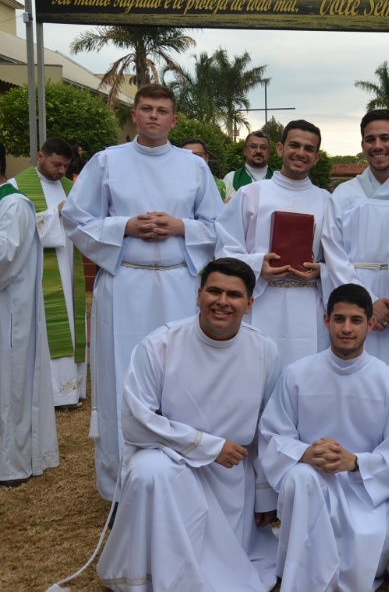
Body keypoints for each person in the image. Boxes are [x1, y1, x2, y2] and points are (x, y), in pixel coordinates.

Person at [62, 83, 223, 500]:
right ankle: (122, 488)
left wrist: (180, 226)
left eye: (162, 110)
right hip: (126, 283)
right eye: (146, 108)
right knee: (123, 378)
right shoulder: (107, 162)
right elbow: (76, 219)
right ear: (134, 115)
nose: (153, 116)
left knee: (180, 379)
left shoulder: (193, 166)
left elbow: (221, 227)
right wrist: (125, 227)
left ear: (174, 119)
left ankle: (182, 482)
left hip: (178, 284)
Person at [97, 258, 282, 592]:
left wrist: (264, 497)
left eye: (234, 295)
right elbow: (136, 422)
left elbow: (270, 429)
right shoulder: (160, 344)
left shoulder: (265, 351)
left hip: (230, 475)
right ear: (198, 295)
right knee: (148, 472)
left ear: (250, 303)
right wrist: (207, 447)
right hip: (168, 458)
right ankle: (147, 575)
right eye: (213, 291)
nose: (222, 301)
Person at [259, 284, 389, 591]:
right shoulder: (297, 374)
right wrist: (307, 454)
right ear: (326, 321)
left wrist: (355, 462)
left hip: (364, 488)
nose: (346, 328)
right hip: (310, 483)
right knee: (300, 478)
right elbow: (274, 434)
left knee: (368, 538)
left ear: (370, 324)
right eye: (339, 319)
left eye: (356, 320)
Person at [217, 120, 346, 366]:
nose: (300, 153)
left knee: (304, 375)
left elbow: (339, 258)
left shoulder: (326, 201)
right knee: (256, 370)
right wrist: (257, 266)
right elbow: (225, 248)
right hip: (260, 299)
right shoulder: (251, 194)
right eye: (294, 145)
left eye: (309, 149)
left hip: (308, 305)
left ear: (317, 157)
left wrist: (321, 272)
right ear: (279, 148)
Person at [322, 109, 389, 363]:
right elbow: (334, 253)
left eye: (385, 138)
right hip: (355, 292)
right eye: (370, 140)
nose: (377, 146)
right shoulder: (344, 194)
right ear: (362, 145)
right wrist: (368, 302)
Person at [0, 142, 59, 485]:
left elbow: (4, 258)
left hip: (10, 317)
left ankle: (12, 464)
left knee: (11, 388)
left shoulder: (13, 204)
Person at [16, 137, 87, 407]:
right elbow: (17, 229)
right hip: (37, 272)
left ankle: (70, 390)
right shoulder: (17, 188)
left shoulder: (72, 188)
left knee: (69, 321)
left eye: (66, 166)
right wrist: (54, 214)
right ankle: (48, 392)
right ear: (40, 156)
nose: (61, 171)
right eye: (57, 164)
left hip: (69, 264)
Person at [223, 131, 273, 201]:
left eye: (263, 147)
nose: (258, 151)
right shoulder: (231, 178)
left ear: (269, 153)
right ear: (245, 151)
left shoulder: (278, 178)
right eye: (253, 146)